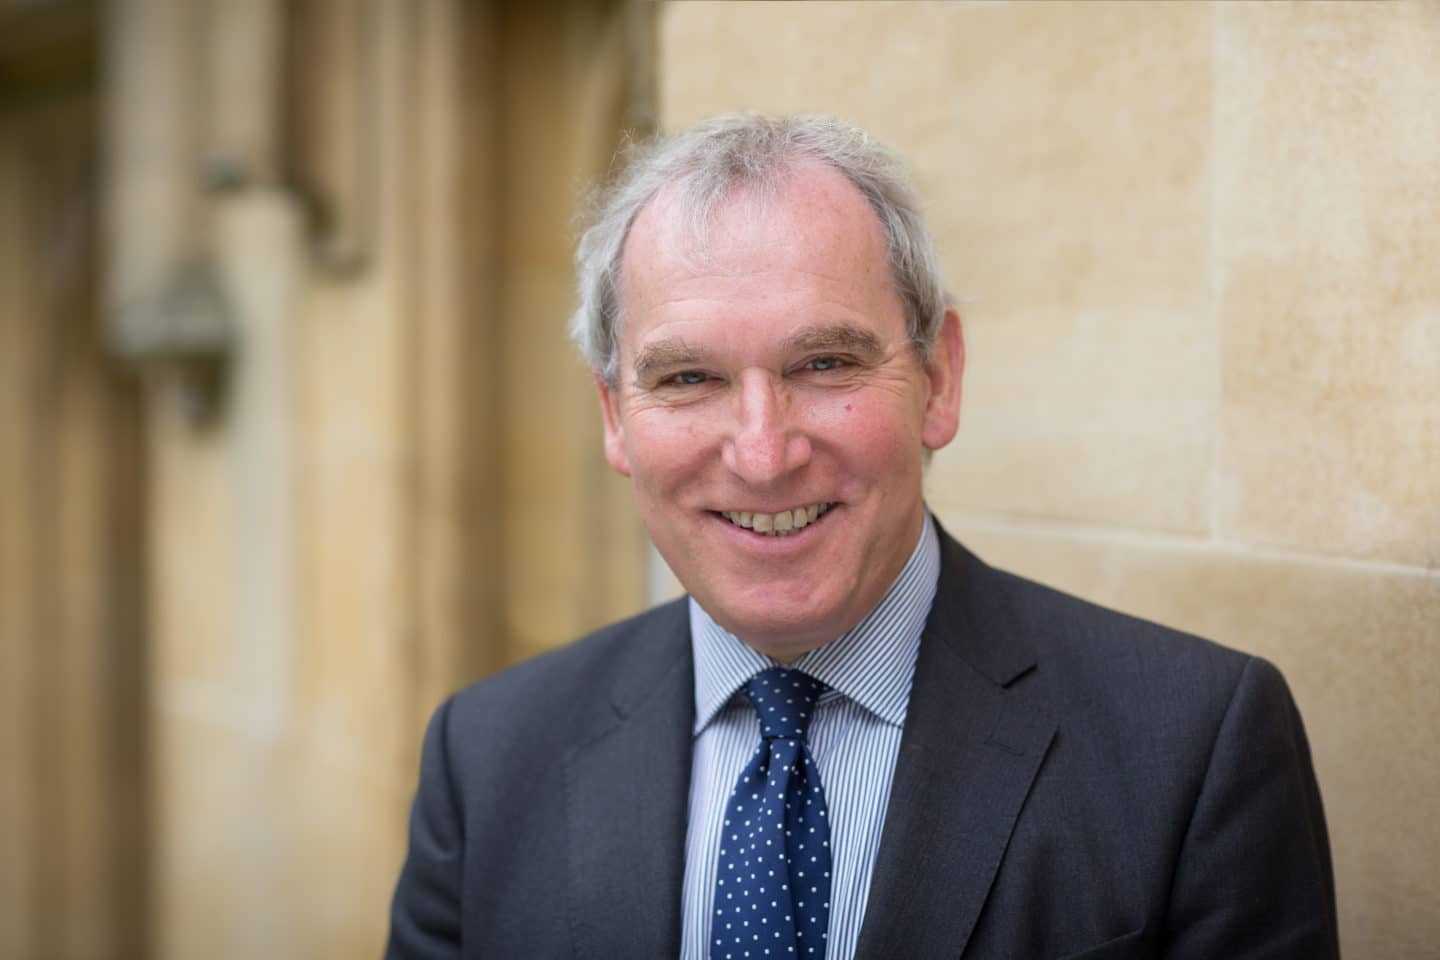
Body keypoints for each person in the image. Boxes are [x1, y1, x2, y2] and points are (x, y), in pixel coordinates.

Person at [386, 114, 1338, 960]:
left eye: (825, 361)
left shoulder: (1194, 747)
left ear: (941, 379)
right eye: (688, 379)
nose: (762, 454)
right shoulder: (488, 756)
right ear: (613, 416)